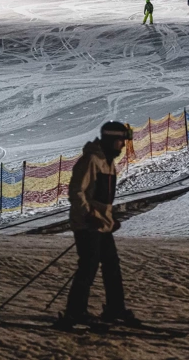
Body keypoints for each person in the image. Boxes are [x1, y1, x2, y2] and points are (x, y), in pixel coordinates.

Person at [56, 122, 139, 330]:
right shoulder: (92, 160)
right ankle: (75, 312)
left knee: (112, 266)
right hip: (87, 225)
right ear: (112, 140)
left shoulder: (108, 161)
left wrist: (109, 220)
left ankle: (115, 308)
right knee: (88, 267)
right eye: (121, 141)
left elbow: (101, 198)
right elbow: (76, 191)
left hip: (101, 225)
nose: (122, 146)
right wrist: (89, 216)